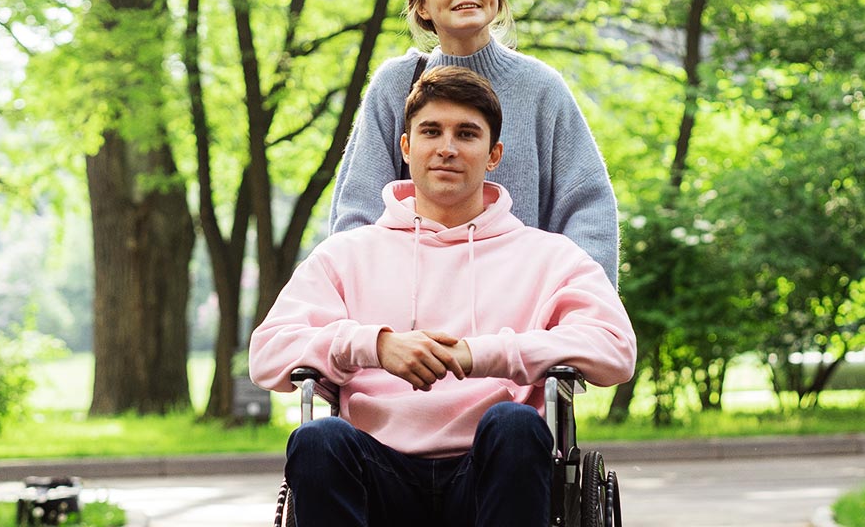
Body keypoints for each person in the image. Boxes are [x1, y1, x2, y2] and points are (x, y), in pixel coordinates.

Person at [251, 66, 636, 527]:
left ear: (493, 154)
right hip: (375, 471)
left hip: (491, 469)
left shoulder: (550, 257)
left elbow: (615, 348)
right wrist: (376, 347)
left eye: (467, 134)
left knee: (515, 425)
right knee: (318, 440)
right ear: (407, 147)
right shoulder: (346, 255)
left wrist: (484, 354)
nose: (447, 148)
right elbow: (267, 352)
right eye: (431, 131)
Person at [329, 0, 621, 286]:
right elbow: (357, 213)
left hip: (517, 314)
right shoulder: (396, 85)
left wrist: (577, 311)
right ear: (421, 4)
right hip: (414, 308)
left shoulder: (541, 88)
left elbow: (587, 209)